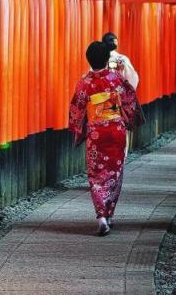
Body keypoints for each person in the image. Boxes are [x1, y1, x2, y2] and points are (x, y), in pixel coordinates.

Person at [68, 41, 140, 236]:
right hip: (116, 129)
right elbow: (130, 99)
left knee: (96, 173)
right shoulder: (116, 79)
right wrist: (131, 120)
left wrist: (78, 128)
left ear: (88, 59)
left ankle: (100, 215)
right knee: (115, 172)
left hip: (96, 131)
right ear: (108, 59)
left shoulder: (84, 83)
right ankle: (109, 214)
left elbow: (77, 108)